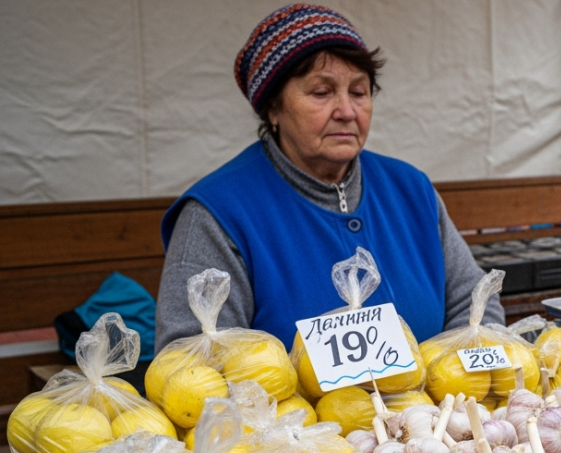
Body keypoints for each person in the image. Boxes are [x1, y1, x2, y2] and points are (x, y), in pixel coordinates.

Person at [156, 5, 503, 352]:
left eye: (358, 92)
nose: (347, 111)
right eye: (321, 93)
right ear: (273, 109)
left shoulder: (411, 190)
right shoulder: (217, 215)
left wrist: (452, 386)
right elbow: (192, 363)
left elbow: (473, 305)